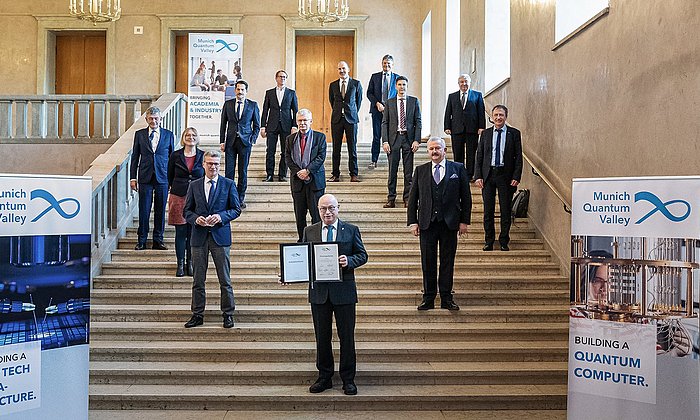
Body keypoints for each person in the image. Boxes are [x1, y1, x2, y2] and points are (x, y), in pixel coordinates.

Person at [303, 194, 368, 396]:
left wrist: (348, 261)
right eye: (323, 209)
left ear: (338, 208)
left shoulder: (351, 230)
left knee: (346, 337)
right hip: (320, 293)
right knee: (322, 337)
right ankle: (324, 377)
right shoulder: (309, 230)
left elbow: (362, 255)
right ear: (318, 209)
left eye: (331, 208)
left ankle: (348, 379)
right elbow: (302, 257)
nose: (328, 212)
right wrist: (289, 274)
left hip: (344, 292)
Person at [407, 137, 471, 311]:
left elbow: (466, 197)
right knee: (427, 262)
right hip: (427, 223)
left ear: (445, 150)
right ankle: (428, 298)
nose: (434, 152)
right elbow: (413, 199)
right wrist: (413, 222)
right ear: (427, 151)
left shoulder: (457, 169)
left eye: (437, 148)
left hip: (449, 223)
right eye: (431, 149)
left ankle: (446, 297)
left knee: (447, 261)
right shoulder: (420, 170)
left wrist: (464, 221)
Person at [183, 150, 241, 329]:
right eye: (209, 163)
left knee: (225, 279)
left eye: (216, 164)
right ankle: (197, 314)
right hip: (199, 237)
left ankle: (228, 314)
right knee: (198, 280)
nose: (213, 167)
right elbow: (186, 211)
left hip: (220, 237)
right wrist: (195, 219)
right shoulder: (194, 185)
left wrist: (221, 217)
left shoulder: (228, 184)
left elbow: (236, 209)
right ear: (203, 164)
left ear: (220, 165)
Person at [475, 105, 523, 252]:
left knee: (505, 210)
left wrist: (516, 176)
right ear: (492, 116)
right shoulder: (486, 134)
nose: (498, 118)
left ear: (506, 116)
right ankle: (489, 241)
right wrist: (478, 176)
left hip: (505, 176)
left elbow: (518, 157)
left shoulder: (514, 133)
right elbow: (480, 156)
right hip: (488, 176)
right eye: (496, 115)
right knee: (488, 211)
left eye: (501, 115)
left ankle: (503, 241)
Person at [130, 106, 174, 251]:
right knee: (144, 209)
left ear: (160, 119)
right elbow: (135, 157)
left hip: (163, 177)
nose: (153, 121)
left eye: (156, 118)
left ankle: (158, 240)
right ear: (146, 119)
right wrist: (132, 178)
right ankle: (141, 240)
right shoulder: (140, 134)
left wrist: (172, 179)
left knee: (160, 209)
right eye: (151, 118)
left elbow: (172, 158)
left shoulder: (168, 135)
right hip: (145, 177)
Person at [285, 109, 327, 242]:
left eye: (305, 120)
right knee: (300, 216)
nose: (302, 123)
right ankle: (302, 240)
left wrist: (307, 170)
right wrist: (299, 172)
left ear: (311, 122)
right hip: (298, 183)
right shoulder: (290, 139)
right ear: (297, 122)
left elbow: (321, 157)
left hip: (315, 182)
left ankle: (316, 240)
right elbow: (287, 157)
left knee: (316, 215)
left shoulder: (320, 137)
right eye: (300, 120)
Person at [167, 127, 204, 277]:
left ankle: (191, 263)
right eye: (188, 135)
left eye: (193, 135)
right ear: (183, 138)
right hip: (178, 195)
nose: (190, 137)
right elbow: (170, 175)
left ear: (197, 137)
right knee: (181, 232)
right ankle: (180, 264)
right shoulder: (175, 155)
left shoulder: (202, 155)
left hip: (197, 198)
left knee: (193, 232)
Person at [381, 75, 421, 208]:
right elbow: (384, 123)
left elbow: (418, 122)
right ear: (395, 86)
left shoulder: (414, 101)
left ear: (407, 86)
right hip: (393, 140)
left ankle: (407, 198)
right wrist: (385, 141)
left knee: (408, 172)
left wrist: (416, 140)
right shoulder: (389, 102)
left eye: (404, 85)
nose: (402, 87)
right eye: (399, 85)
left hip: (408, 140)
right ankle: (391, 198)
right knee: (392, 171)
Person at [220, 79, 260, 209]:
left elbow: (257, 126)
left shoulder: (253, 105)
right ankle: (228, 199)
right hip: (230, 142)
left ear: (246, 91)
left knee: (243, 172)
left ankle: (240, 198)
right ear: (235, 90)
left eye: (242, 89)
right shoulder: (228, 104)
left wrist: (252, 140)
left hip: (245, 143)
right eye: (238, 89)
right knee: (229, 172)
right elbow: (223, 124)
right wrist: (222, 141)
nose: (240, 92)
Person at [443, 74, 485, 180]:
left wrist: (481, 127)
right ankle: (459, 173)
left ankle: (470, 174)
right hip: (456, 129)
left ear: (469, 83)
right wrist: (447, 126)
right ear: (458, 84)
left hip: (473, 129)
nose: (464, 84)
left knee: (471, 153)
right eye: (461, 82)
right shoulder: (452, 96)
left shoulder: (477, 95)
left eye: (466, 81)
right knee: (458, 152)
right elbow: (448, 112)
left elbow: (481, 113)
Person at [261, 70, 299, 182]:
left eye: (284, 77)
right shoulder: (269, 93)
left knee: (285, 151)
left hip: (286, 126)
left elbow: (295, 110)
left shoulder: (291, 93)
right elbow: (265, 111)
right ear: (276, 78)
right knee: (270, 151)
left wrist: (294, 125)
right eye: (280, 76)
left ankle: (282, 175)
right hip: (272, 126)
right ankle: (269, 175)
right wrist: (263, 126)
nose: (282, 78)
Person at [328, 61, 363, 182]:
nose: (341, 71)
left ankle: (354, 174)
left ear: (348, 69)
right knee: (335, 148)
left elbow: (358, 101)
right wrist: (339, 111)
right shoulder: (332, 85)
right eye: (339, 69)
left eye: (343, 68)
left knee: (352, 148)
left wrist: (351, 111)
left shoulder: (356, 84)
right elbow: (332, 101)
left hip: (351, 119)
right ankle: (335, 174)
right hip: (337, 119)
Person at [367, 54, 399, 169]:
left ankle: (391, 161)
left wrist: (390, 107)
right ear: (382, 63)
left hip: (391, 112)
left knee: (391, 137)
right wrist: (377, 103)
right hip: (377, 111)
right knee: (376, 136)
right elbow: (369, 93)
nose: (386, 65)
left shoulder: (397, 78)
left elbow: (399, 94)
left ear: (392, 65)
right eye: (385, 63)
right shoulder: (375, 77)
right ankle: (374, 160)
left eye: (389, 63)